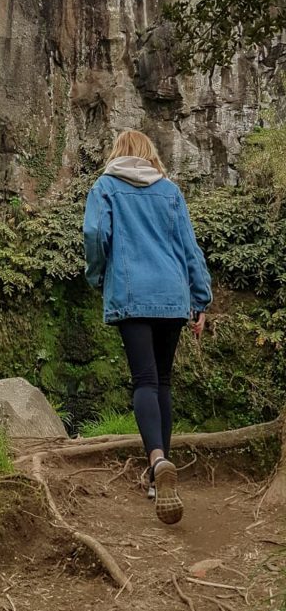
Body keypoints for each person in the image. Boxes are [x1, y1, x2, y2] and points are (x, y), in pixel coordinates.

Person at [83, 130, 212, 525]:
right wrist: (200, 298)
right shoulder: (170, 191)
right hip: (172, 296)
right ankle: (160, 476)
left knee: (144, 380)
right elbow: (190, 248)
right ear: (149, 155)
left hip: (133, 293)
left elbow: (93, 233)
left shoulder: (105, 186)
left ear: (117, 153)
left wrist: (98, 275)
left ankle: (156, 460)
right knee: (163, 382)